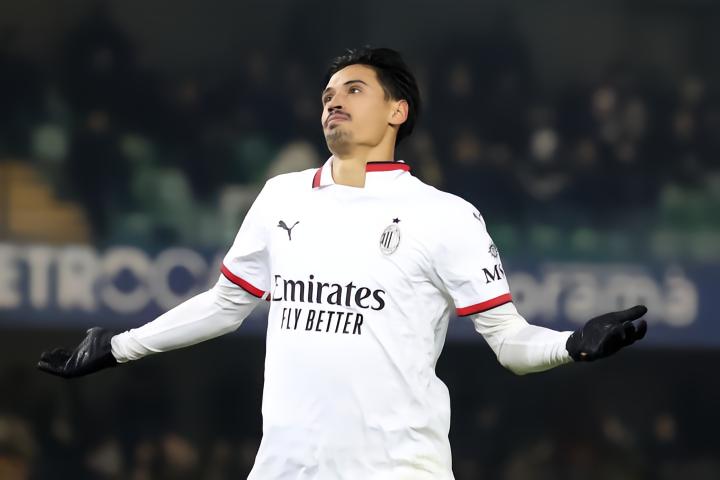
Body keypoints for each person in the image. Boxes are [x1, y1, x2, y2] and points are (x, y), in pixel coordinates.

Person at [38, 46, 648, 480]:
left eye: (354, 89)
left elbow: (510, 343)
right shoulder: (281, 196)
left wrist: (572, 345)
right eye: (327, 95)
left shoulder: (446, 216)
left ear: (397, 111)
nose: (333, 101)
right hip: (284, 469)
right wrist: (118, 347)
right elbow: (226, 304)